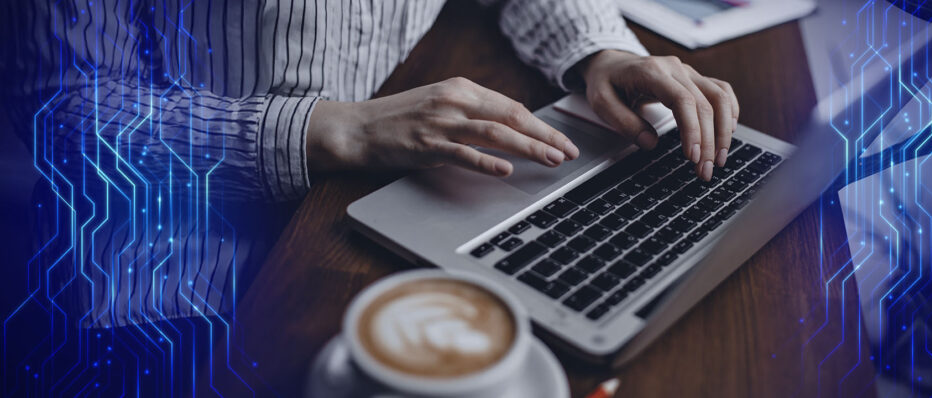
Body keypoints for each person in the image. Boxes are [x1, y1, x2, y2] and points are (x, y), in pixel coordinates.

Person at [1, 0, 736, 327]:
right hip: (180, 277)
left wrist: (593, 48)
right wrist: (337, 130)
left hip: (405, 189)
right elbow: (60, 111)